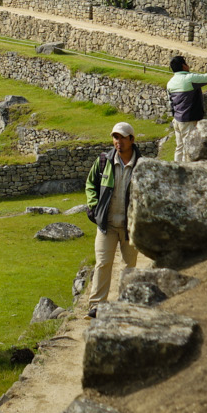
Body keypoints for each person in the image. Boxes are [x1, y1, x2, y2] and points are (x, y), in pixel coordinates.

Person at [83, 122, 143, 302]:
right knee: (102, 264)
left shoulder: (142, 165)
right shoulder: (103, 161)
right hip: (106, 225)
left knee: (129, 266)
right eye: (115, 137)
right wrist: (94, 207)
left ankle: (125, 302)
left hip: (130, 227)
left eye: (122, 137)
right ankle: (96, 305)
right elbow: (90, 184)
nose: (118, 141)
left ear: (131, 139)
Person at [165, 53, 207, 128]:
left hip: (177, 121)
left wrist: (177, 116)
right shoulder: (189, 79)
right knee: (191, 140)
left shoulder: (170, 83)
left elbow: (171, 104)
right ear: (183, 66)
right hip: (189, 121)